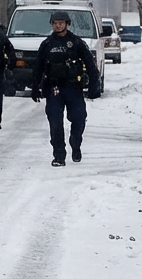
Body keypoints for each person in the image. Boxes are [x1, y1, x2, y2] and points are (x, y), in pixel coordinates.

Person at [31, 9, 102, 166]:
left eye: (61, 23)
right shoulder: (47, 44)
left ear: (67, 24)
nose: (58, 26)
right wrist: (35, 87)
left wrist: (94, 85)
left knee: (79, 119)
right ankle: (59, 155)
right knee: (55, 122)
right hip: (53, 88)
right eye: (55, 23)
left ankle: (75, 144)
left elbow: (90, 64)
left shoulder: (76, 43)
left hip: (73, 87)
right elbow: (38, 67)